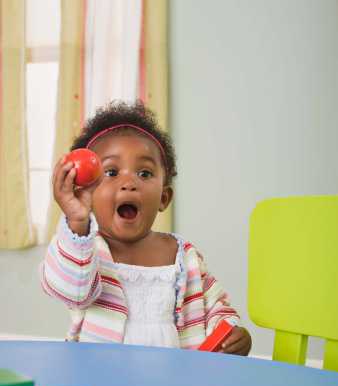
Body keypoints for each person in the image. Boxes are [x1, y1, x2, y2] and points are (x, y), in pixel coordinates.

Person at [41, 101, 251, 355]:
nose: (129, 182)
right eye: (111, 172)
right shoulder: (85, 251)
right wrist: (76, 221)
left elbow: (214, 305)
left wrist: (231, 331)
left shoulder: (184, 256)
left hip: (173, 377)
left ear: (164, 198)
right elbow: (70, 290)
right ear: (87, 192)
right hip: (102, 377)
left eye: (144, 173)